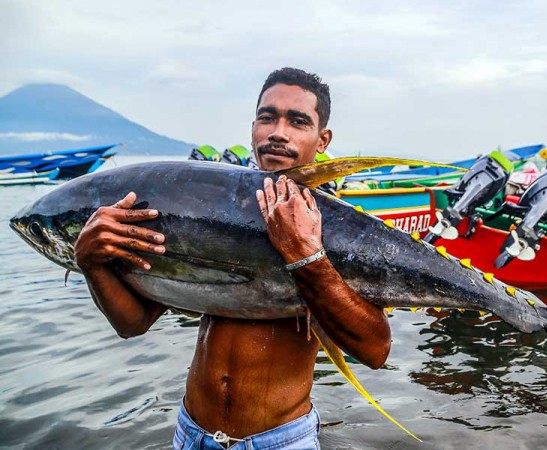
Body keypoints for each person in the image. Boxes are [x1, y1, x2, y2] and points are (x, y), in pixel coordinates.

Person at [73, 68, 392, 450]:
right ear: (253, 127)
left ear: (322, 139)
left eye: (298, 121)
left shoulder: (334, 228)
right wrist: (91, 264)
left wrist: (307, 256)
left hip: (279, 441)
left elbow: (376, 350)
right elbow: (134, 323)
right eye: (267, 117)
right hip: (191, 433)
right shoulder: (209, 206)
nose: (278, 131)